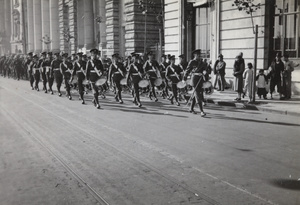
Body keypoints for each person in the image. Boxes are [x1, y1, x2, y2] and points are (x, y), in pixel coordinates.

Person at [184, 49, 207, 117]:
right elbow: (187, 70)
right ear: (195, 55)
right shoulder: (192, 62)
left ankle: (191, 108)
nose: (199, 56)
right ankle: (202, 111)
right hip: (194, 80)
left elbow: (205, 69)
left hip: (200, 80)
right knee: (198, 95)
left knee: (196, 94)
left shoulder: (202, 62)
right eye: (198, 55)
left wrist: (205, 72)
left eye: (199, 55)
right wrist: (184, 78)